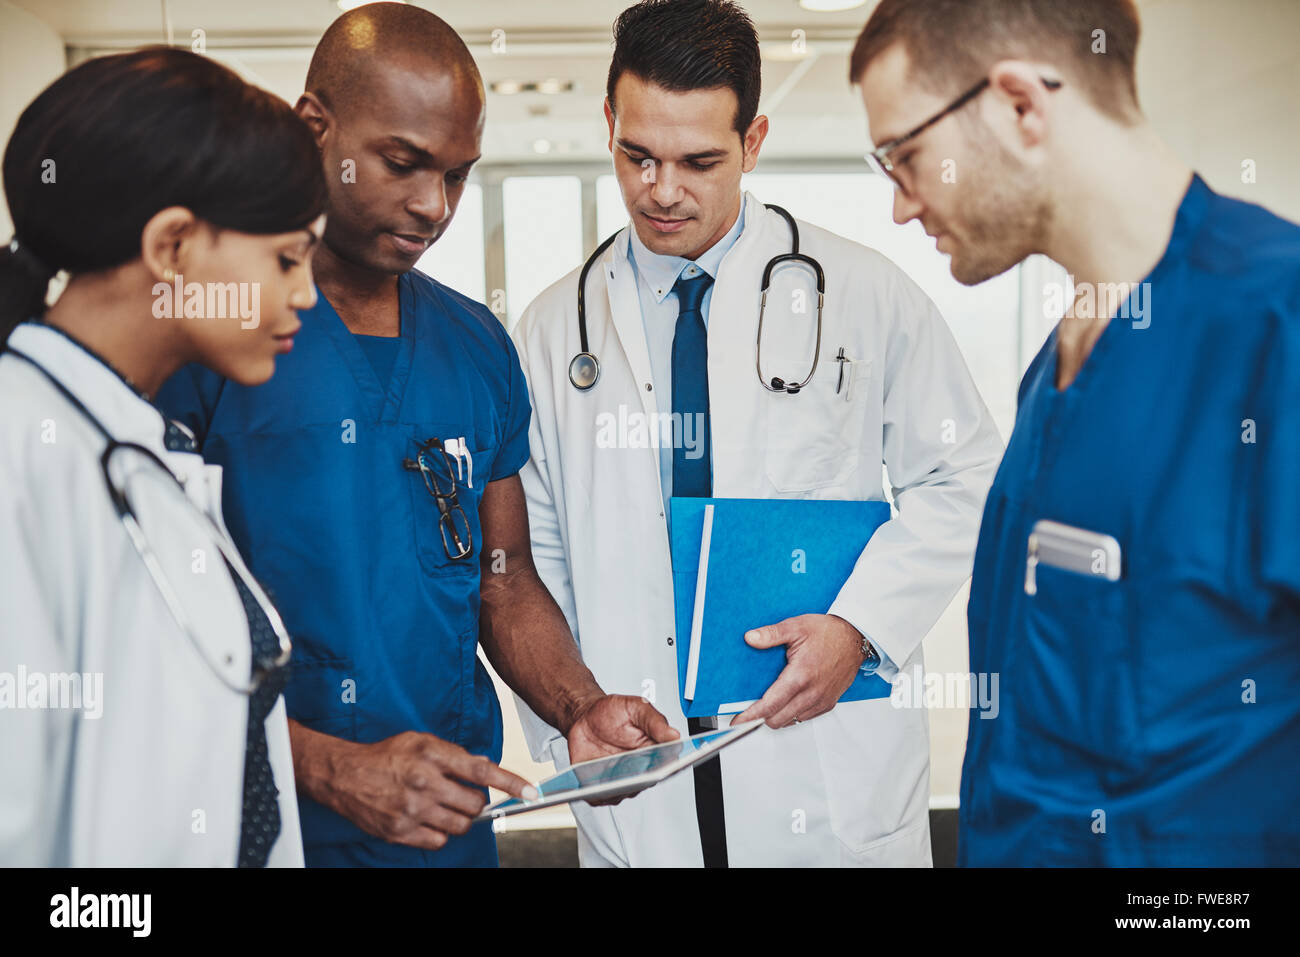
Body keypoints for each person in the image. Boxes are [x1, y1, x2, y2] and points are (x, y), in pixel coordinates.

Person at [156, 2, 677, 868]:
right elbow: (146, 633)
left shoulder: (476, 346)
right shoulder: (211, 335)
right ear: (312, 128)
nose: (434, 205)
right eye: (403, 163)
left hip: (446, 830)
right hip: (259, 824)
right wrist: (328, 766)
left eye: (460, 174)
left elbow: (501, 583)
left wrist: (578, 707)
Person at [511, 0, 1004, 867]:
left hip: (825, 775)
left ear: (754, 140)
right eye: (638, 155)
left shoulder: (862, 292)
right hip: (642, 785)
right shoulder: (555, 331)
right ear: (609, 125)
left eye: (699, 160)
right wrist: (574, 709)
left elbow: (964, 475)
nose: (662, 190)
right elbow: (534, 552)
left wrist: (859, 626)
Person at [851, 0, 1300, 865]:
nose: (902, 208)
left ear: (1020, 105)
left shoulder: (1272, 328)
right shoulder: (1055, 370)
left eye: (904, 158)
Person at [0, 47, 327, 866]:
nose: (306, 294)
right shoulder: (22, 446)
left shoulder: (137, 445)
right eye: (286, 258)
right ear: (173, 247)